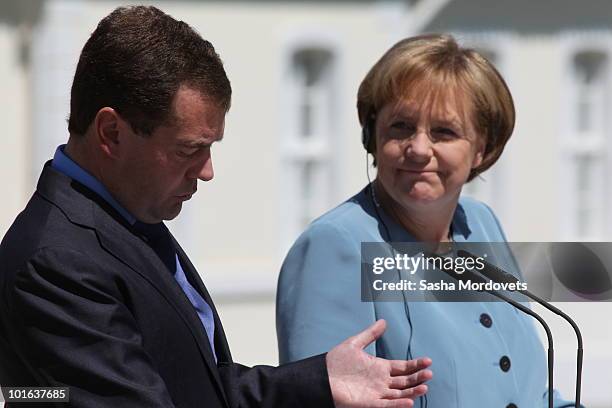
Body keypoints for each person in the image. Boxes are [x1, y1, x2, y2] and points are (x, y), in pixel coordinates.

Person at [0, 6, 433, 408]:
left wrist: (319, 381)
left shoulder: (127, 218)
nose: (207, 171)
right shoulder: (56, 262)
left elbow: (198, 389)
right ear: (111, 133)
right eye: (190, 149)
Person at [277, 34, 576, 407]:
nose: (418, 149)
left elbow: (532, 392)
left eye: (444, 132)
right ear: (372, 135)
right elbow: (317, 402)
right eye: (401, 126)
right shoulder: (335, 245)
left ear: (481, 148)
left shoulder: (481, 222)